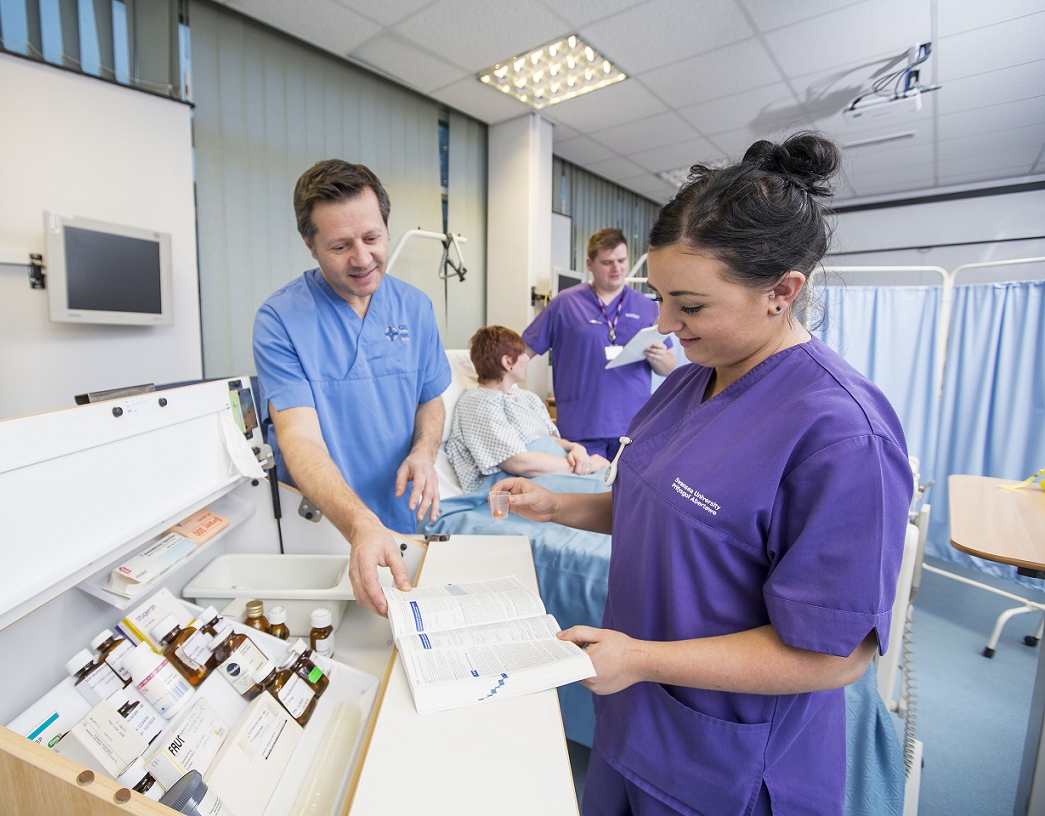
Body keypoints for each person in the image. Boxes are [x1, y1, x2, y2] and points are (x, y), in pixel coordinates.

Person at [496, 133, 913, 815]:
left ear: (782, 291)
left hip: (729, 766)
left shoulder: (842, 434)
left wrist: (642, 659)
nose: (663, 324)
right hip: (633, 726)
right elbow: (663, 510)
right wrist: (556, 506)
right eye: (658, 297)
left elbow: (837, 656)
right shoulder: (688, 384)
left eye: (688, 306)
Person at [253, 159, 451, 616]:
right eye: (341, 245)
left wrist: (424, 451)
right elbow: (298, 437)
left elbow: (430, 398)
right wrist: (360, 522)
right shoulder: (280, 319)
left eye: (372, 238)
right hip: (327, 524)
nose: (362, 259)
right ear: (310, 244)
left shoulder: (415, 307)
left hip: (403, 517)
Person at [523, 228, 677, 460]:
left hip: (631, 426)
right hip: (581, 426)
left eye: (622, 260)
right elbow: (523, 353)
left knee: (625, 494)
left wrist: (659, 358)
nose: (617, 268)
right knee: (583, 492)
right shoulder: (565, 304)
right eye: (607, 262)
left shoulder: (646, 306)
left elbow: (669, 367)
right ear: (590, 263)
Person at [445, 325, 610, 493]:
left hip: (554, 471)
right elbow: (518, 463)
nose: (526, 358)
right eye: (522, 353)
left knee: (616, 481)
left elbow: (551, 439)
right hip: (517, 481)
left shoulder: (526, 397)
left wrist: (577, 449)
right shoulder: (478, 403)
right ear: (508, 361)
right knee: (607, 491)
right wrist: (586, 467)